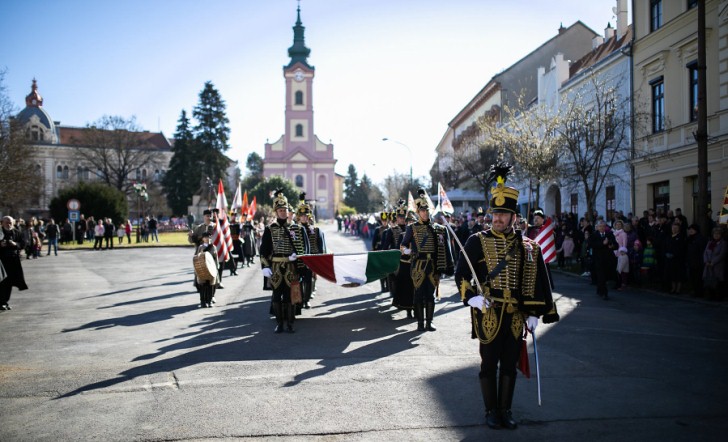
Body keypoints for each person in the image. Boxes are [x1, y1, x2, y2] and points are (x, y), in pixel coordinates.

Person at [454, 164, 558, 430]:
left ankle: (506, 410)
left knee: (510, 366)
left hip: (514, 315)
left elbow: (536, 280)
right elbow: (462, 273)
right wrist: (470, 299)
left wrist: (535, 312)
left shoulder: (528, 247)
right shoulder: (477, 240)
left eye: (503, 214)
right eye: (495, 213)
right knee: (488, 364)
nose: (497, 218)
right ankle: (490, 410)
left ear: (514, 217)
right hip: (488, 312)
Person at [400, 188, 453, 332]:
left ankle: (429, 322)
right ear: (418, 212)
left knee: (430, 294)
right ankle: (420, 323)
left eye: (426, 210)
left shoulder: (437, 228)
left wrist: (447, 266)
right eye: (422, 211)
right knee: (418, 294)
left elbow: (444, 248)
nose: (425, 213)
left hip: (433, 266)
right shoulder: (412, 228)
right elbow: (403, 245)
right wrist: (408, 251)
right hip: (417, 265)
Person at [259, 190, 306, 333]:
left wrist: (297, 258)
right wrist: (265, 266)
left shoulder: (296, 228)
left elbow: (301, 248)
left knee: (290, 296)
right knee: (276, 296)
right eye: (280, 210)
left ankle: (290, 323)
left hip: (291, 266)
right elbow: (263, 250)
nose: (283, 212)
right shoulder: (269, 229)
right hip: (276, 266)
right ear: (276, 212)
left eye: (285, 210)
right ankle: (279, 323)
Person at [382, 201, 414, 319]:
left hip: (411, 261)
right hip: (398, 260)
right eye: (399, 217)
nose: (401, 219)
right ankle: (402, 304)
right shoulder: (392, 230)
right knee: (400, 284)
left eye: (403, 217)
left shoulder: (412, 229)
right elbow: (386, 246)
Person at [296, 193, 324, 309]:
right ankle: (299, 299)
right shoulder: (294, 229)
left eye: (306, 216)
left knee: (309, 280)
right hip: (298, 259)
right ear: (299, 217)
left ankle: (306, 300)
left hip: (311, 259)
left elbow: (319, 245)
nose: (304, 217)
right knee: (298, 281)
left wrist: (320, 257)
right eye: (302, 216)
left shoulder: (315, 230)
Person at [0, 216, 28, 310]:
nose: (8, 224)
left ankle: (5, 302)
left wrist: (15, 244)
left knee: (10, 282)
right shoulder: (0, 232)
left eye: (10, 223)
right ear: (2, 223)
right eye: (6, 222)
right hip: (2, 261)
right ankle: (1, 302)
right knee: (2, 281)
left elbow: (24, 243)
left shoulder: (17, 232)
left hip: (13, 260)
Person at [588, 220, 617, 300]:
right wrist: (602, 244)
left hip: (608, 259)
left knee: (605, 276)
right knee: (601, 276)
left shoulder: (609, 234)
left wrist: (612, 246)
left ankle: (599, 289)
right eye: (600, 226)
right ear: (597, 227)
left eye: (603, 226)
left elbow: (615, 244)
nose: (602, 228)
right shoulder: (594, 235)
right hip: (598, 259)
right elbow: (591, 244)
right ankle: (604, 293)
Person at [194, 231, 218, 308]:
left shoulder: (213, 247)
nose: (207, 239)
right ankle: (203, 301)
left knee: (211, 285)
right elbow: (197, 258)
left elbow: (216, 258)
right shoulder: (200, 247)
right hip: (202, 269)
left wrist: (216, 268)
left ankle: (210, 300)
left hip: (211, 268)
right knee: (203, 285)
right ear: (203, 239)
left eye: (209, 237)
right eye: (205, 237)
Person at [703, 227, 726, 301]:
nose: (716, 235)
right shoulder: (710, 242)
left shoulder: (723, 243)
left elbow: (722, 254)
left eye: (718, 234)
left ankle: (718, 296)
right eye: (715, 234)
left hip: (717, 265)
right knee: (709, 280)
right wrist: (706, 261)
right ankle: (710, 296)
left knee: (718, 281)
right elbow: (706, 252)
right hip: (708, 265)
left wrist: (713, 262)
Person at [664, 221, 686, 294]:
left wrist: (675, 254)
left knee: (678, 275)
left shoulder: (681, 237)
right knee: (672, 274)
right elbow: (666, 246)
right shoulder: (669, 236)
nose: (674, 229)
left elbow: (681, 248)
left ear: (679, 228)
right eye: (673, 228)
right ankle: (673, 288)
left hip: (678, 259)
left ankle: (678, 289)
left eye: (676, 228)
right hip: (669, 259)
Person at [686, 224, 708, 298]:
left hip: (698, 262)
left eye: (692, 229)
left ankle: (699, 293)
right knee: (693, 278)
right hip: (691, 261)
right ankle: (695, 291)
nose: (690, 231)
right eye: (689, 229)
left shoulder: (700, 238)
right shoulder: (689, 238)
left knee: (698, 278)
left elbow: (702, 250)